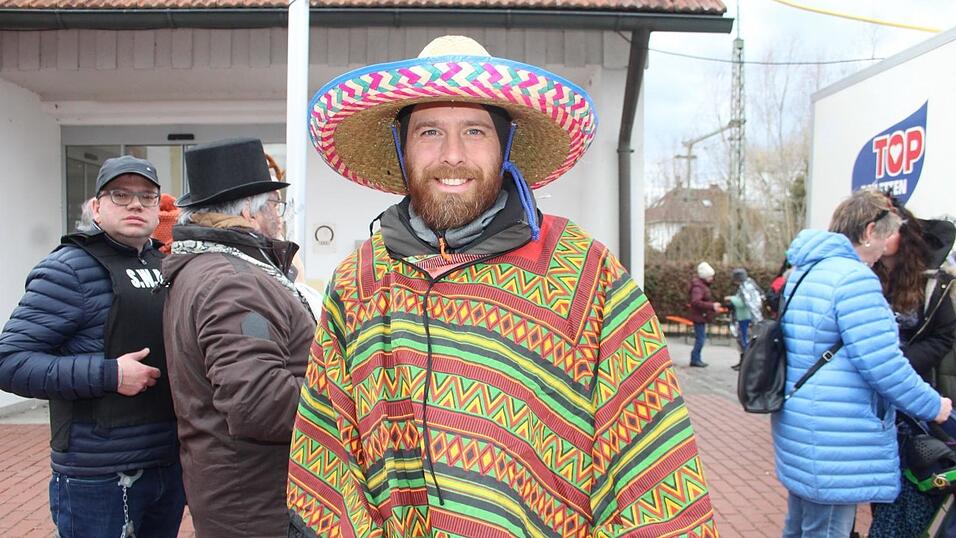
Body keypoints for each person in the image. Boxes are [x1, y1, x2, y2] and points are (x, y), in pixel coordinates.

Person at [286, 35, 717, 537]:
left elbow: (651, 459)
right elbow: (328, 450)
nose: (452, 155)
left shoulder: (583, 274)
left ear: (505, 146)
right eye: (428, 131)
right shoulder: (361, 281)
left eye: (474, 130)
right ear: (402, 149)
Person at [0, 156, 185, 537]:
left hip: (167, 464)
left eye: (147, 197)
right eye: (121, 195)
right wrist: (108, 373)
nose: (136, 204)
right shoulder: (67, 270)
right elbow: (9, 361)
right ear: (97, 207)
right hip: (99, 477)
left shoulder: (167, 266)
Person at [774, 188, 953, 538]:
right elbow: (884, 365)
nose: (889, 246)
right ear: (870, 231)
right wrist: (934, 405)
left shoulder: (807, 271)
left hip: (805, 425)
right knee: (826, 530)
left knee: (800, 526)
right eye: (889, 236)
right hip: (836, 437)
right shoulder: (855, 280)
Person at [161, 138, 315, 537]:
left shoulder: (209, 268)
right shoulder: (234, 283)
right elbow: (259, 404)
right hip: (259, 508)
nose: (279, 216)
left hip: (239, 496)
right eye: (274, 205)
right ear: (249, 209)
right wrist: (346, 397)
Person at [868, 202, 956, 537]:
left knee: (914, 485)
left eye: (889, 227)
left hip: (918, 395)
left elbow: (943, 336)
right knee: (879, 482)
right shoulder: (863, 273)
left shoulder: (934, 283)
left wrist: (899, 363)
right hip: (875, 399)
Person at [726, 267, 764, 370]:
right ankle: (743, 362)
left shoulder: (746, 287)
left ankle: (746, 363)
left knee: (745, 340)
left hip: (745, 318)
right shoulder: (746, 285)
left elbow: (744, 303)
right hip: (743, 317)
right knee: (742, 340)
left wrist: (731, 299)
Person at [688, 261, 721, 368]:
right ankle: (695, 359)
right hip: (699, 316)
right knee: (700, 339)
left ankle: (696, 358)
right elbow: (696, 302)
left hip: (701, 315)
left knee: (701, 338)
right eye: (711, 276)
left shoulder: (700, 286)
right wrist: (712, 306)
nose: (712, 278)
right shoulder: (698, 287)